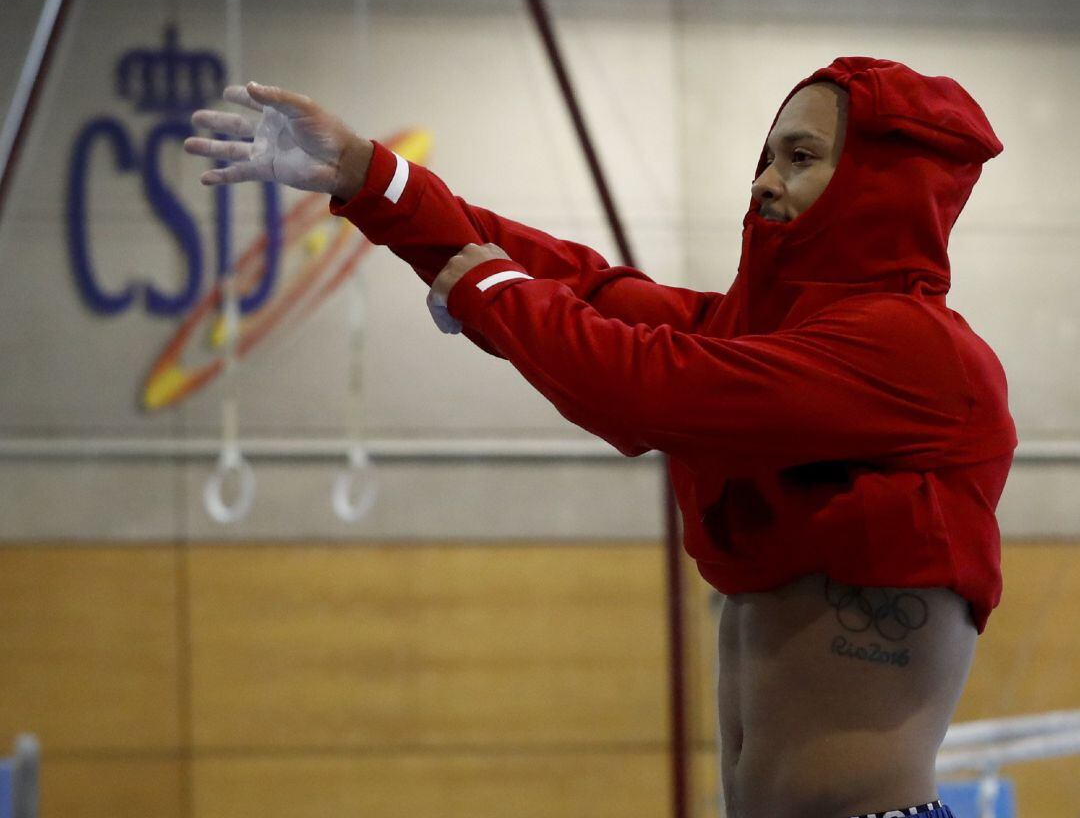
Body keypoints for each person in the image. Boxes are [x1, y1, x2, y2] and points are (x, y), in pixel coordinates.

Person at [184, 56, 1017, 818]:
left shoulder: (920, 356)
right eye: (766, 158)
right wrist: (372, 179)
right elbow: (581, 285)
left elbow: (638, 386)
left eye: (802, 158)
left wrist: (486, 290)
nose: (766, 183)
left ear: (884, 182)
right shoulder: (754, 340)